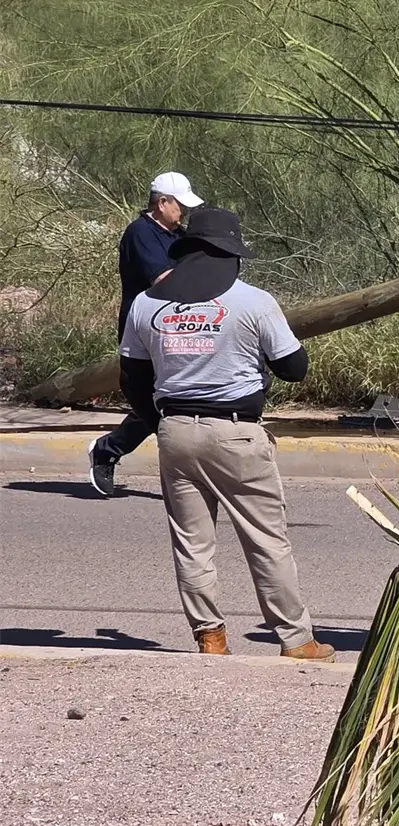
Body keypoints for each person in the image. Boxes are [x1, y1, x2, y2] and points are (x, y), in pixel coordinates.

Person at [117, 206, 334, 662]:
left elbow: (132, 378)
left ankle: (210, 638)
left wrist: (157, 425)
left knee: (193, 544)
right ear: (230, 254)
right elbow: (295, 368)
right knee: (266, 539)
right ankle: (296, 641)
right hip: (237, 433)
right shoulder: (252, 301)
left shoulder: (147, 302)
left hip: (175, 430)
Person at [88, 171, 205, 496]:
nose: (183, 210)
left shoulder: (176, 234)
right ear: (162, 202)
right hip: (143, 331)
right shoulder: (140, 233)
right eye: (179, 204)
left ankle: (110, 450)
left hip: (177, 327)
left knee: (169, 401)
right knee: (157, 403)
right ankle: (110, 451)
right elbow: (164, 279)